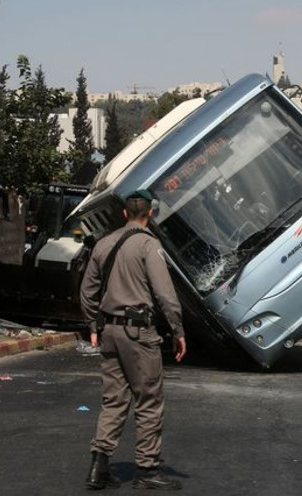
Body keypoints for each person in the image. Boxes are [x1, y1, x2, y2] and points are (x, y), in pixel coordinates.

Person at [80, 190, 187, 491]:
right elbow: (165, 294)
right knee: (148, 400)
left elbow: (87, 290)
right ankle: (147, 469)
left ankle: (98, 466)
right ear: (150, 213)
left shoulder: (104, 243)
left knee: (114, 400)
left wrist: (92, 323)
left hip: (110, 332)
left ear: (125, 213)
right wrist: (178, 331)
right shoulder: (148, 245)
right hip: (138, 333)